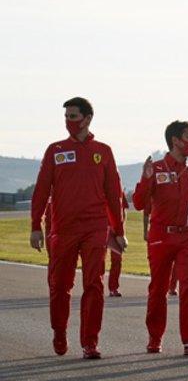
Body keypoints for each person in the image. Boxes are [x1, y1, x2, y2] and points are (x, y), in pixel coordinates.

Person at [29, 97, 128, 358]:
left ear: (87, 119)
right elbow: (41, 190)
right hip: (63, 229)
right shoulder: (55, 150)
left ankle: (90, 342)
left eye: (73, 117)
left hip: (95, 228)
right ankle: (59, 331)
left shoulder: (103, 151)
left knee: (94, 284)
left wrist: (119, 231)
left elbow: (113, 194)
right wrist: (35, 225)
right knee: (60, 285)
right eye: (66, 117)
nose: (68, 122)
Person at [133, 121, 188, 355]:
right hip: (161, 236)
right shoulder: (158, 168)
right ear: (175, 140)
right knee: (158, 289)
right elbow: (139, 202)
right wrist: (145, 179)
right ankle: (155, 338)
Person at [107, 192, 129, 297]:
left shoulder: (118, 189)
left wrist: (122, 232)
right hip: (100, 228)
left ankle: (113, 287)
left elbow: (123, 211)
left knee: (117, 259)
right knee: (97, 260)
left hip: (115, 231)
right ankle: (94, 287)